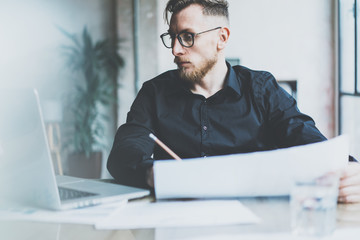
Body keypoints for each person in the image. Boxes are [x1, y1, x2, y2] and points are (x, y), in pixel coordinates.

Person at [107, 0, 360, 203]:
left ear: (222, 38)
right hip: (176, 222)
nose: (175, 49)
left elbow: (307, 140)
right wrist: (154, 174)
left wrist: (349, 171)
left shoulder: (261, 89)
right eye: (172, 37)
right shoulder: (154, 92)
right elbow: (122, 155)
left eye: (187, 36)